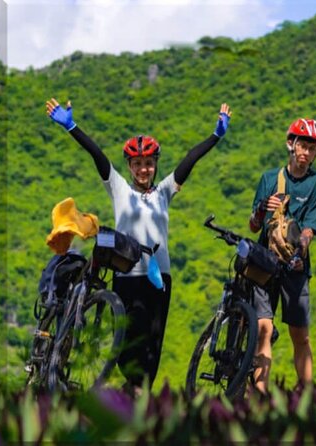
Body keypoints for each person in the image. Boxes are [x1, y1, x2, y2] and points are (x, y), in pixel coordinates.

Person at [45, 98, 232, 395]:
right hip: (127, 276)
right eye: (138, 164)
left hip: (159, 279)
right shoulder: (119, 188)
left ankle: (138, 399)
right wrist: (71, 126)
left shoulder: (165, 191)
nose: (143, 169)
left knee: (151, 346)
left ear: (155, 165)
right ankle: (131, 394)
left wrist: (216, 135)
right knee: (128, 343)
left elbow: (190, 160)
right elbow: (97, 155)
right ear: (130, 167)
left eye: (148, 164)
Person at [248, 118, 316, 393]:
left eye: (312, 148)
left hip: (295, 266)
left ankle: (306, 394)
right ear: (290, 145)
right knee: (263, 329)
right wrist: (261, 208)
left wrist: (300, 247)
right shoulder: (270, 179)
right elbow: (254, 225)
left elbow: (310, 229)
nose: (306, 152)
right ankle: (258, 396)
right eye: (302, 145)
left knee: (300, 335)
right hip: (265, 261)